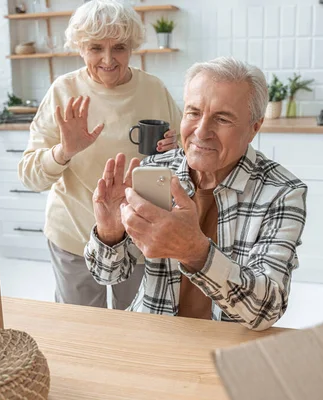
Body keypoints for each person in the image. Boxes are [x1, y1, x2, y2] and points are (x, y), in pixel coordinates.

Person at [84, 57, 307, 330]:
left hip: (228, 346)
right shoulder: (155, 169)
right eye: (193, 113)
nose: (202, 131)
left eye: (222, 118)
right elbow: (109, 274)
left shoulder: (282, 193)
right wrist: (109, 233)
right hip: (154, 334)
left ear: (254, 128)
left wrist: (195, 252)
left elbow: (265, 311)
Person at [18, 0, 181, 309]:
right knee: (82, 332)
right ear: (80, 48)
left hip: (139, 234)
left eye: (119, 47)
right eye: (95, 48)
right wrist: (64, 151)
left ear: (132, 47)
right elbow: (29, 175)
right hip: (74, 234)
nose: (108, 59)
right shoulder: (63, 91)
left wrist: (175, 149)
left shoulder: (154, 90)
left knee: (136, 327)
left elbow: (187, 158)